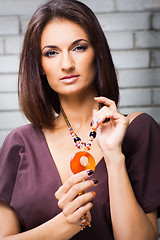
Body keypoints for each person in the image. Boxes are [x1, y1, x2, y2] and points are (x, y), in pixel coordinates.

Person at [0, 0, 160, 239]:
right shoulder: (19, 143)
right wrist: (66, 224)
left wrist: (114, 156)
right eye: (51, 53)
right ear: (41, 65)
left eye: (79, 47)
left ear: (97, 53)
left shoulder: (138, 130)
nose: (66, 64)